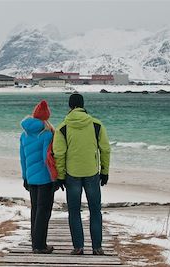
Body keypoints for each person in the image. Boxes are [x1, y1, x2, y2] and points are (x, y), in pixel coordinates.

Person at [53, 94, 110, 256]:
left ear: (70, 106)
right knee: (95, 210)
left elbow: (59, 154)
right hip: (92, 173)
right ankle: (97, 247)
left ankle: (78, 247)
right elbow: (105, 149)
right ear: (83, 105)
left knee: (74, 211)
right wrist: (104, 171)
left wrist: (61, 176)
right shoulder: (96, 124)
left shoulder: (62, 127)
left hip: (72, 175)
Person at [20, 100, 58, 254]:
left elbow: (22, 158)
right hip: (45, 178)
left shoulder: (24, 134)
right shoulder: (47, 134)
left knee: (35, 210)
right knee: (44, 211)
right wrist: (55, 177)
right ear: (46, 117)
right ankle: (40, 245)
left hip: (31, 177)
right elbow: (46, 158)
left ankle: (35, 242)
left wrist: (25, 177)